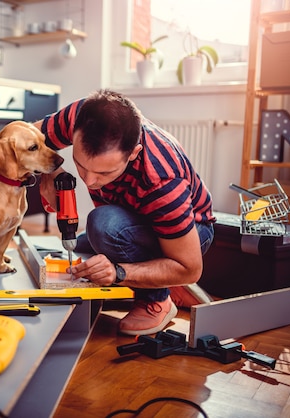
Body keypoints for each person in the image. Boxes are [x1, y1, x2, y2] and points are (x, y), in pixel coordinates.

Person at [36, 89, 215, 336]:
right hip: (131, 220)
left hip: (191, 234)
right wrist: (49, 171)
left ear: (134, 153)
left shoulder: (163, 180)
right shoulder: (84, 116)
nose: (88, 181)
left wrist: (119, 272)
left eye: (104, 173)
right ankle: (159, 277)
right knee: (81, 254)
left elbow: (191, 268)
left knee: (103, 226)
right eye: (80, 165)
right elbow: (25, 135)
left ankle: (159, 299)